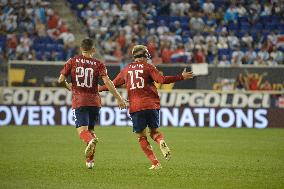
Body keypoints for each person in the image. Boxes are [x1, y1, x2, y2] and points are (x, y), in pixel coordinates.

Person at [99, 45, 194, 169]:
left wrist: (98, 88)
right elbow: (162, 80)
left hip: (136, 107)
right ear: (146, 56)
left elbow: (112, 84)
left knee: (141, 136)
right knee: (154, 132)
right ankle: (160, 141)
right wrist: (180, 77)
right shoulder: (148, 67)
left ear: (134, 57)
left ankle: (155, 163)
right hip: (151, 105)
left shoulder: (126, 69)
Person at [57, 38, 127, 169]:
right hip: (95, 102)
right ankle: (90, 161)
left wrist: (68, 87)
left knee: (83, 132)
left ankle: (90, 141)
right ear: (93, 50)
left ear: (80, 49)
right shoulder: (99, 64)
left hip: (79, 101)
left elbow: (60, 79)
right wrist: (119, 98)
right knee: (90, 130)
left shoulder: (72, 61)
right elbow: (107, 82)